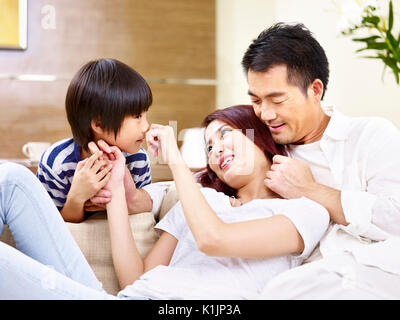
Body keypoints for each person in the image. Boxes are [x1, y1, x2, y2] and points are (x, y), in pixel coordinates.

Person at [0, 105, 330, 299]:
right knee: (11, 179)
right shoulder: (201, 198)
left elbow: (215, 239)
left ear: (260, 136)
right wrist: (116, 187)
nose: (216, 151)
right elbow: (134, 280)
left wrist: (176, 161)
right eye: (209, 146)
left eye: (225, 135)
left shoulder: (304, 210)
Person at [241, 22, 400, 298]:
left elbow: (395, 220)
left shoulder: (370, 135)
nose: (265, 114)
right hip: (298, 284)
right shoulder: (259, 147)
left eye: (276, 100)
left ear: (315, 90)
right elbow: (203, 184)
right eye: (256, 101)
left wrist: (310, 191)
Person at [36, 58, 157, 222]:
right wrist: (77, 197)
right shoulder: (56, 162)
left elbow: (146, 217)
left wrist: (122, 198)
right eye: (137, 116)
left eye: (145, 114)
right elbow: (47, 227)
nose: (146, 126)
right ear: (99, 124)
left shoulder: (138, 159)